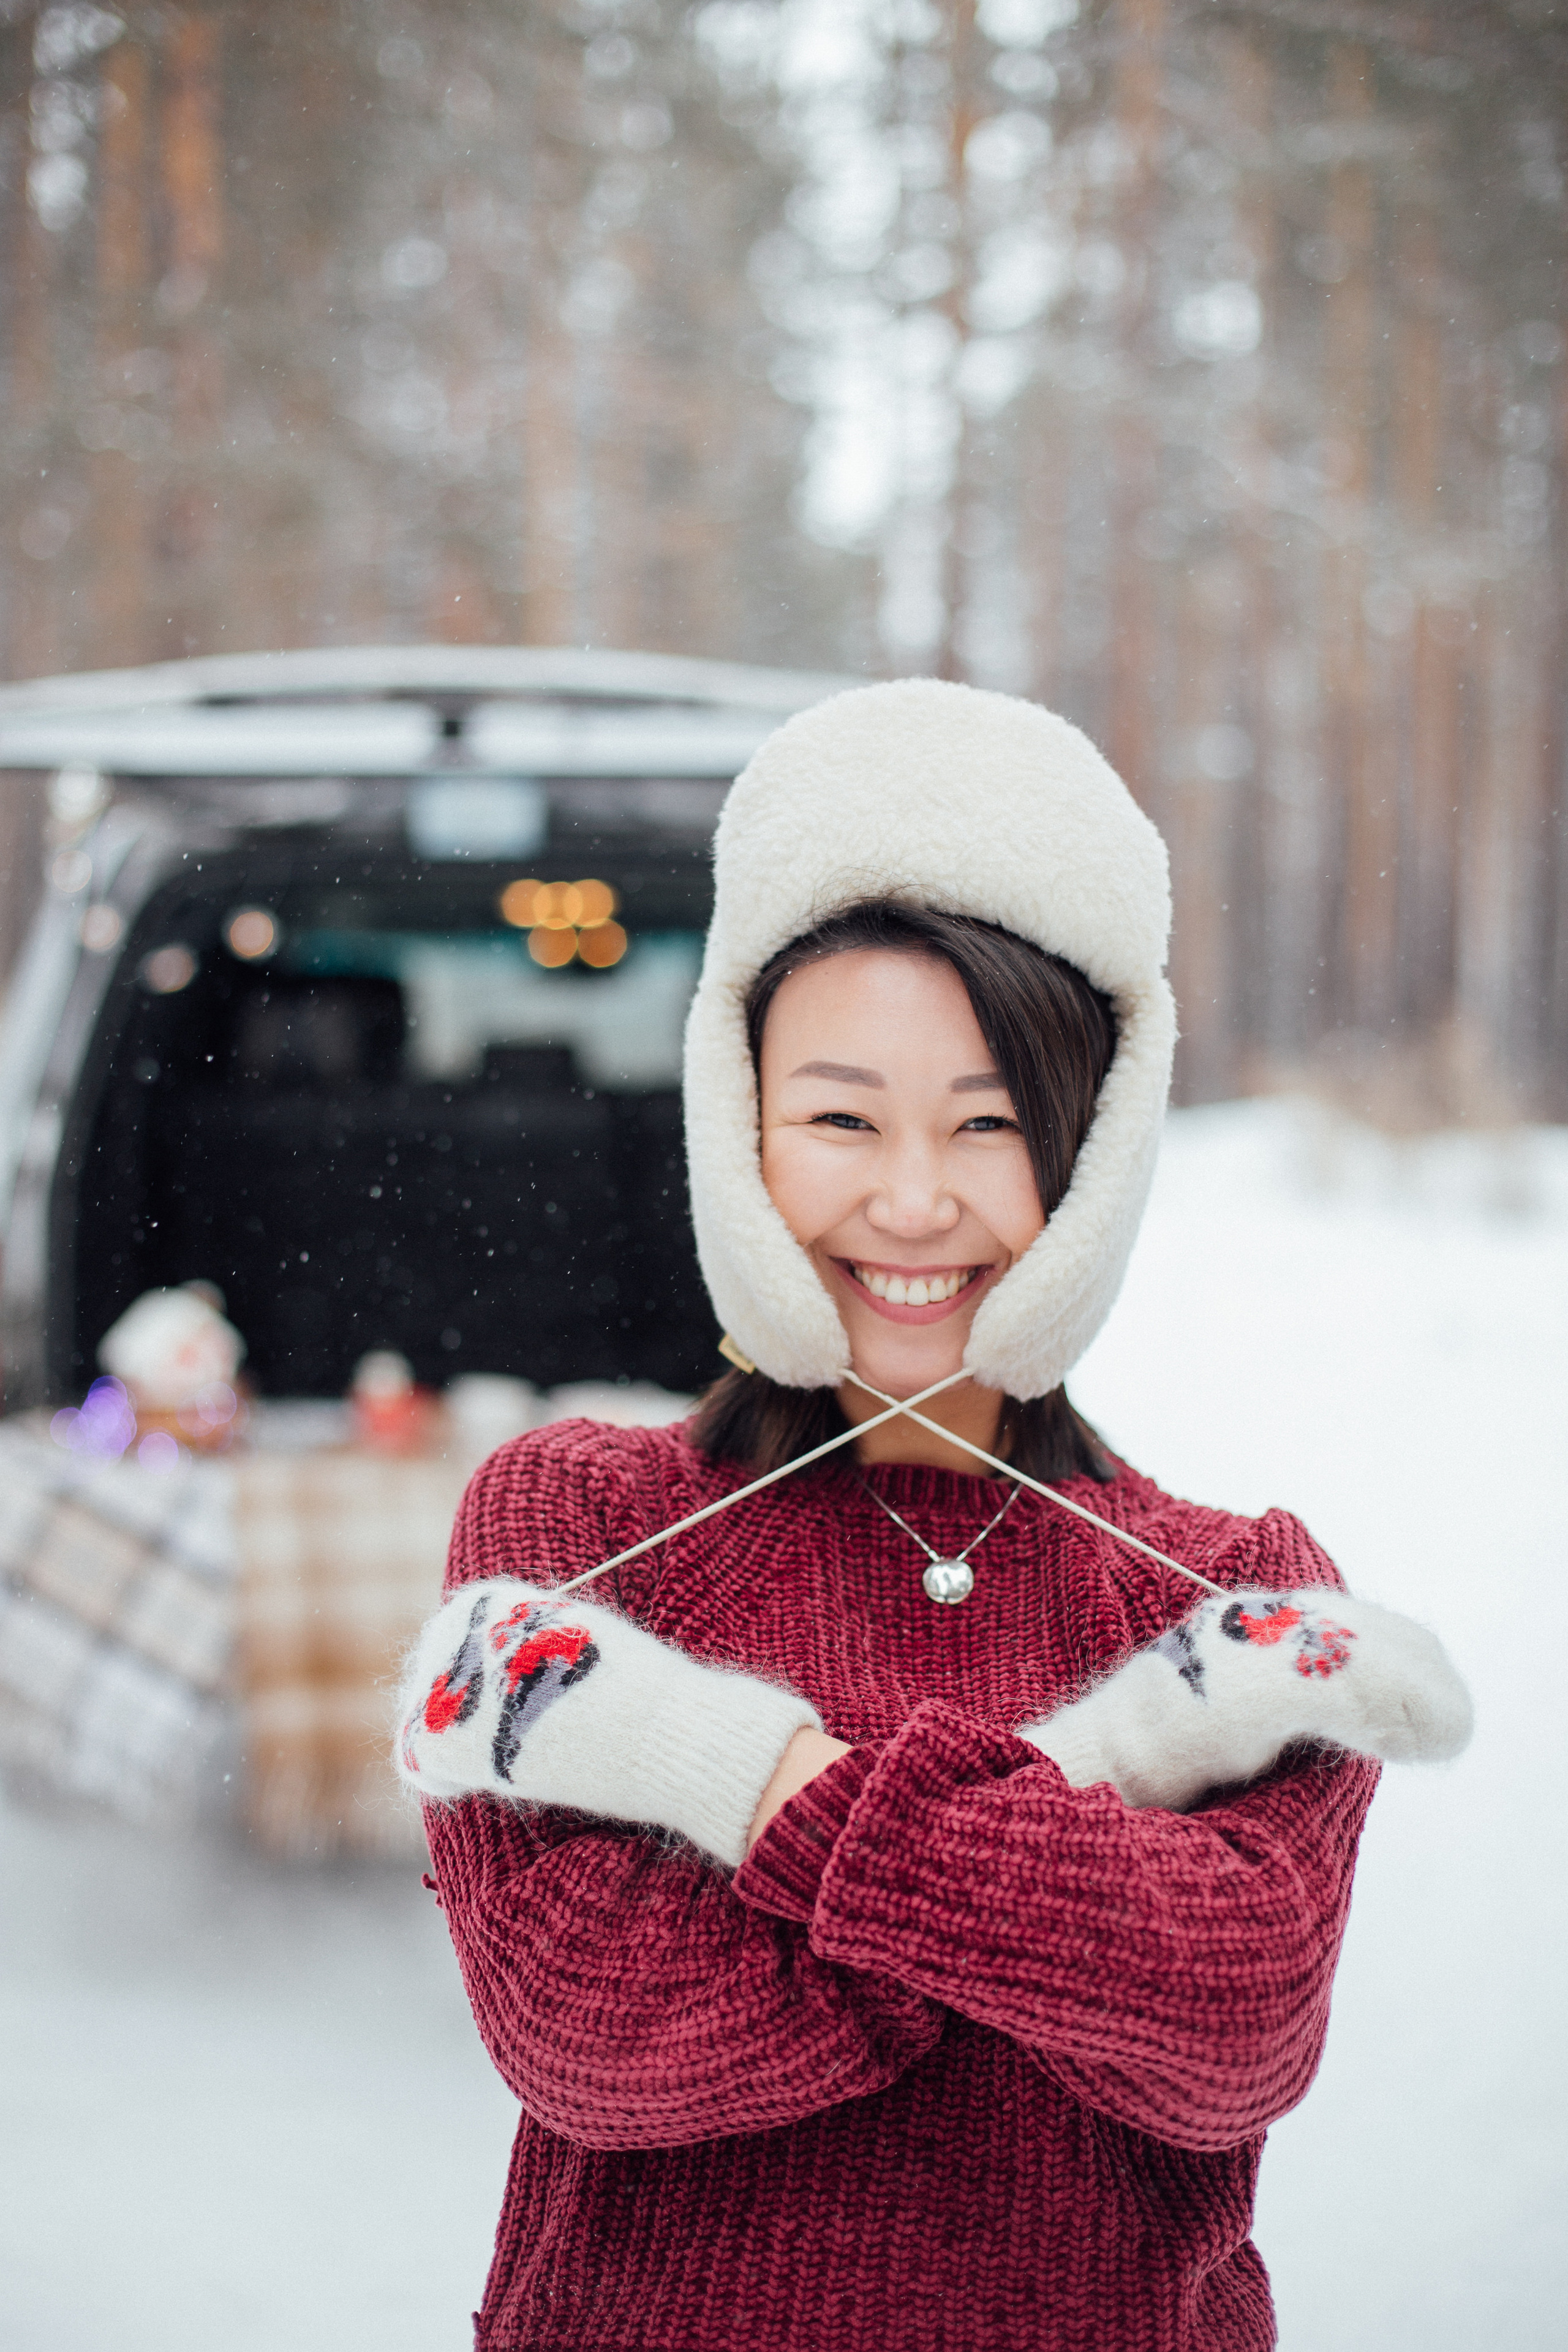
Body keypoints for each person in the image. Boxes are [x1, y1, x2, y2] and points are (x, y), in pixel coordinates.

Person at [396, 680, 1469, 2352]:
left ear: (1092, 1158)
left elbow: (1235, 2030)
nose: (912, 1200)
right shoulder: (573, 1525)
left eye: (990, 1125)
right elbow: (592, 2036)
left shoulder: (1233, 1586)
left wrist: (716, 1767)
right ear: (738, 1125)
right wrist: (1105, 1798)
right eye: (840, 1117)